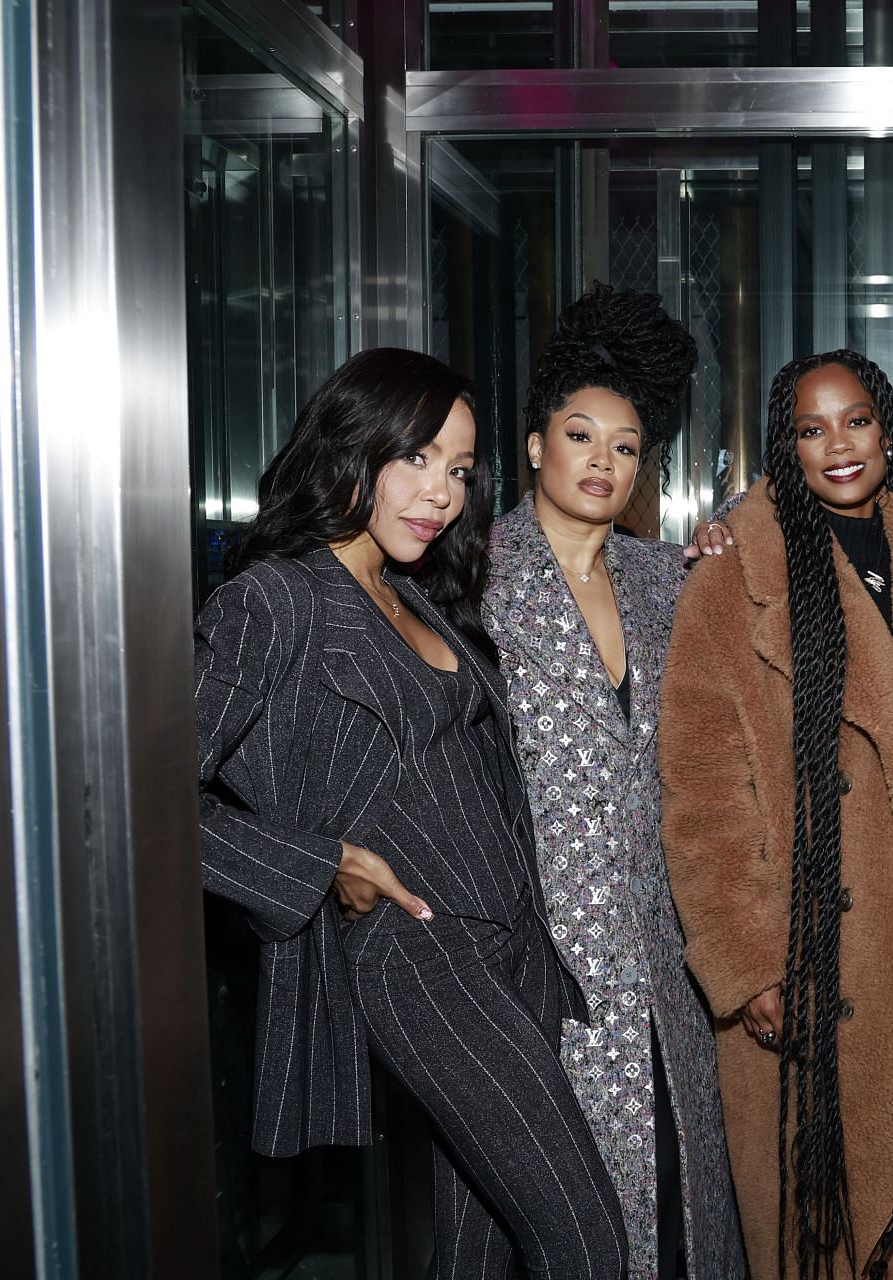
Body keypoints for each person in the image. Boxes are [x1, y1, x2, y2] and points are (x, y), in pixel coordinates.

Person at [194, 348, 628, 1279]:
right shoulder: (272, 601)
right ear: (351, 447)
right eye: (417, 458)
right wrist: (321, 863)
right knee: (588, 1241)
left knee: (480, 1254)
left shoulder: (415, 591)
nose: (442, 493)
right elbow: (156, 809)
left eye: (461, 471)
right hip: (421, 957)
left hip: (514, 946)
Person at [660, 349, 893, 1279]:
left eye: (857, 421)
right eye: (810, 428)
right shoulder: (734, 574)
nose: (838, 445)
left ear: (889, 432)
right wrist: (748, 960)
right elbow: (703, 788)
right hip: (810, 962)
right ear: (784, 446)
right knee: (823, 1235)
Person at [484, 285, 743, 1279]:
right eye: (579, 435)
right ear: (535, 445)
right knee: (571, 1224)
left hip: (666, 964)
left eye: (624, 446)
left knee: (683, 1214)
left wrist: (730, 538)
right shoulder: (477, 579)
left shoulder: (664, 581)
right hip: (537, 963)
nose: (601, 460)